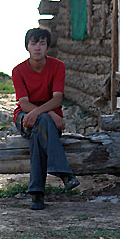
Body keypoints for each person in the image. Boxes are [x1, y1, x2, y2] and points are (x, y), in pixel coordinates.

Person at [12, 27, 79, 210]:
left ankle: (37, 194)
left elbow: (57, 98)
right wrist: (47, 112)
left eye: (42, 43)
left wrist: (43, 113)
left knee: (38, 134)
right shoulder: (18, 71)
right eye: (34, 43)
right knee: (42, 122)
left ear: (48, 47)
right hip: (25, 118)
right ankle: (64, 173)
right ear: (27, 47)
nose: (38, 48)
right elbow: (24, 103)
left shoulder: (58, 66)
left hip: (46, 119)